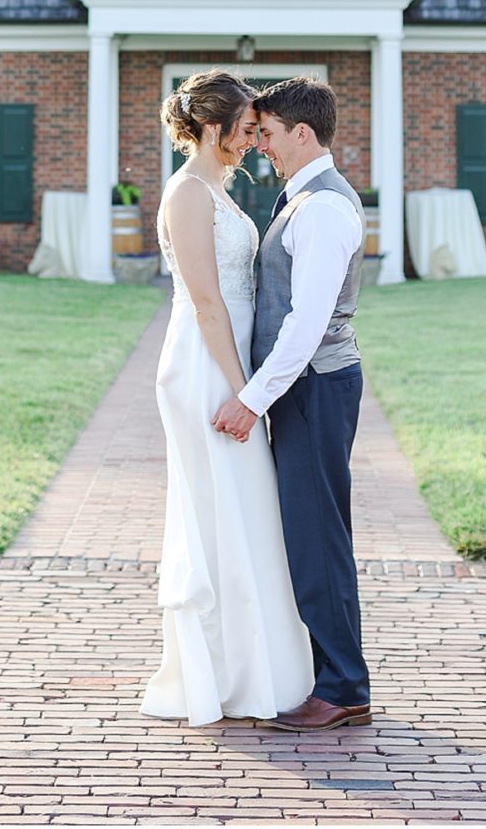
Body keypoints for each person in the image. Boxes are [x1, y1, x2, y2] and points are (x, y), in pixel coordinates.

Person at [140, 68, 313, 726]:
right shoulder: (187, 193)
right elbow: (208, 301)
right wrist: (244, 389)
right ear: (211, 127)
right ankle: (223, 674)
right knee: (221, 510)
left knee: (247, 510)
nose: (250, 142)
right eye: (244, 130)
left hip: (229, 362)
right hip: (206, 367)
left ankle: (256, 667)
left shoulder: (216, 190)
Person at [212, 76, 372, 730]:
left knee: (317, 539)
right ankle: (330, 676)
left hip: (316, 386)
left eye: (269, 135)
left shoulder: (324, 208)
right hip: (306, 387)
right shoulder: (306, 199)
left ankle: (341, 688)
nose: (263, 147)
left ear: (301, 133)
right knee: (309, 535)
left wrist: (250, 400)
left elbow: (306, 325)